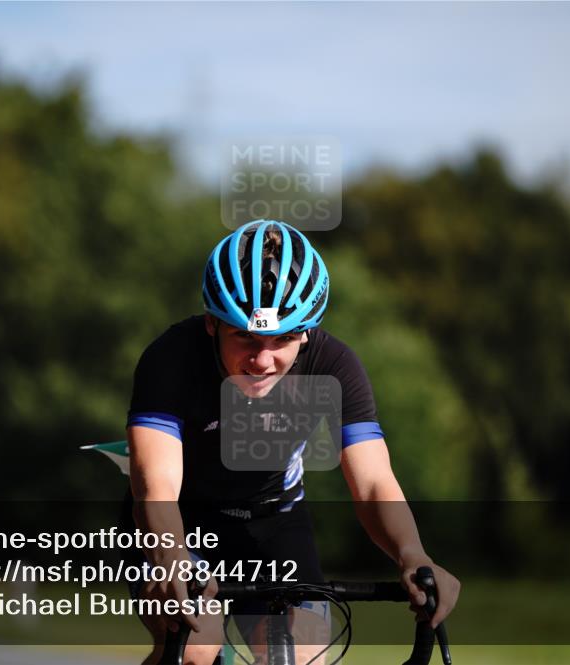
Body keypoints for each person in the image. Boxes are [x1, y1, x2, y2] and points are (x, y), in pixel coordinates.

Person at [124, 219, 459, 665]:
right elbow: (157, 485)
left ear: (305, 333)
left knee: (302, 654)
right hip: (182, 521)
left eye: (282, 339)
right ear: (211, 324)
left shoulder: (333, 366)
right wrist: (171, 558)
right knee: (194, 649)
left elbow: (374, 480)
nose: (262, 361)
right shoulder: (170, 360)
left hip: (274, 523)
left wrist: (412, 554)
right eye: (244, 335)